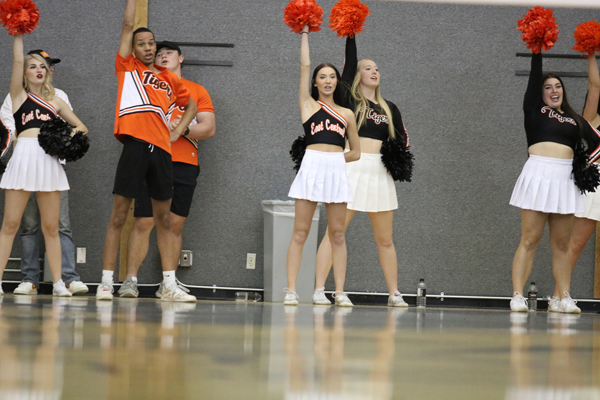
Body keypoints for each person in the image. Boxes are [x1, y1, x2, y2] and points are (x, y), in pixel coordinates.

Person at [97, 0, 198, 302]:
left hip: (163, 152)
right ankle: (106, 282)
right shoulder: (126, 67)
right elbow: (128, 25)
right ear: (133, 48)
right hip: (136, 146)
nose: (148, 47)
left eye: (151, 43)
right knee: (119, 215)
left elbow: (192, 105)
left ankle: (168, 284)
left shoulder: (169, 78)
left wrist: (178, 131)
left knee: (164, 219)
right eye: (141, 44)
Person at [313, 37, 411, 307]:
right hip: (351, 167)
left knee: (385, 239)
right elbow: (348, 64)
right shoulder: (348, 100)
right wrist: (351, 33)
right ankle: (320, 289)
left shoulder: (390, 108)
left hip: (379, 171)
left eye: (377, 68)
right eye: (368, 68)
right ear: (358, 75)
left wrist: (396, 156)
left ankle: (394, 293)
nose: (374, 71)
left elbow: (403, 138)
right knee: (335, 232)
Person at [118, 41, 216, 298]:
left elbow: (209, 127)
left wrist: (182, 128)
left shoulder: (196, 90)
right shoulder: (147, 87)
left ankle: (168, 285)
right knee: (144, 220)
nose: (162, 56)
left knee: (174, 224)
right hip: (151, 158)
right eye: (158, 54)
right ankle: (130, 281)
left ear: (181, 58)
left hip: (185, 162)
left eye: (168, 53)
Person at [509, 51, 600, 313]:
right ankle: (517, 295)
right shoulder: (534, 109)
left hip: (565, 179)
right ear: (541, 93)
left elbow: (597, 142)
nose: (554, 90)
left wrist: (584, 164)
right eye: (548, 87)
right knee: (530, 239)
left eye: (558, 86)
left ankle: (563, 297)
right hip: (538, 173)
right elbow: (534, 76)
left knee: (561, 244)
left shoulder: (575, 119)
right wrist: (537, 49)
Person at [0, 34, 88, 297]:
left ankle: (58, 282)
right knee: (11, 224)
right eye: (32, 66)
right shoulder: (18, 96)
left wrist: (63, 138)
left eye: (42, 66)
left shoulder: (57, 101)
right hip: (24, 157)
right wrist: (18, 34)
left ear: (48, 72)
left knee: (52, 227)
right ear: (25, 73)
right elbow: (17, 61)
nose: (38, 70)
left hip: (48, 161)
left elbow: (81, 127)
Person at [284, 25, 360, 306]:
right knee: (300, 232)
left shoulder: (347, 113)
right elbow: (304, 65)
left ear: (337, 82)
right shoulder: (308, 105)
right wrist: (304, 32)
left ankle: (336, 291)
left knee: (337, 234)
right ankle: (291, 290)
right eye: (322, 77)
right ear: (315, 82)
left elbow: (356, 152)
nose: (328, 81)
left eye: (332, 77)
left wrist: (335, 160)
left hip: (335, 169)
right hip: (312, 166)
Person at [558, 53, 600, 312]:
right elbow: (594, 85)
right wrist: (591, 53)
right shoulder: (591, 119)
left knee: (576, 244)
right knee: (574, 244)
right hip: (594, 183)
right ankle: (559, 296)